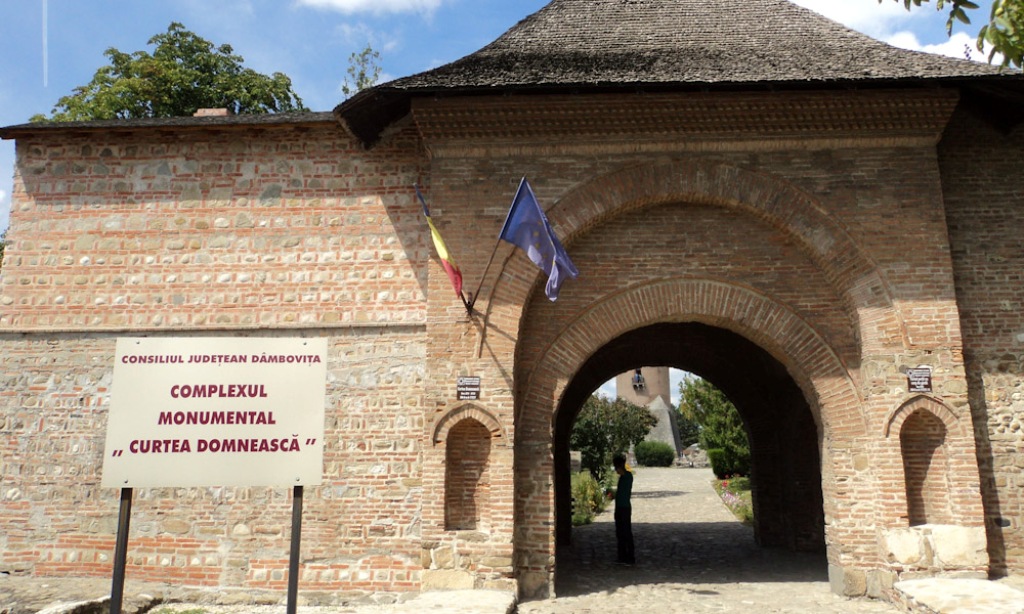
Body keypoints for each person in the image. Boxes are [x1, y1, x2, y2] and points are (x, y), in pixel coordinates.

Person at [611, 453, 635, 565]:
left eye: (616, 467)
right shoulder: (622, 477)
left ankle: (630, 557)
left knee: (626, 532)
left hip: (625, 508)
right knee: (619, 533)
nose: (616, 470)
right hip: (619, 507)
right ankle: (622, 556)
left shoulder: (627, 476)